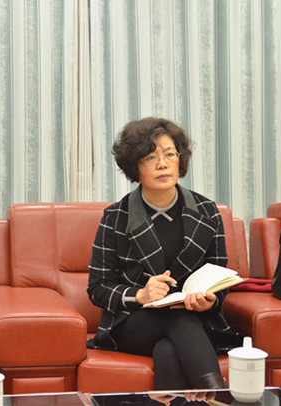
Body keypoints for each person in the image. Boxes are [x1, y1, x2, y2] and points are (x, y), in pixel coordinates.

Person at [87, 117, 240, 390]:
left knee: (169, 349)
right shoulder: (116, 217)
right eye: (151, 157)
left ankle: (210, 396)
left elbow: (219, 277)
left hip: (194, 319)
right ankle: (219, 395)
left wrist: (209, 301)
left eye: (170, 154)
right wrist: (140, 295)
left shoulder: (207, 211)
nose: (162, 164)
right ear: (135, 166)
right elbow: (97, 288)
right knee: (179, 320)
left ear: (180, 161)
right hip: (134, 322)